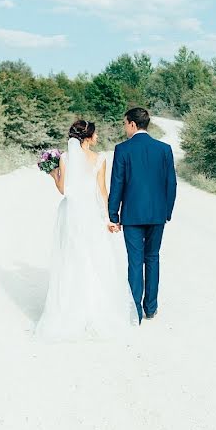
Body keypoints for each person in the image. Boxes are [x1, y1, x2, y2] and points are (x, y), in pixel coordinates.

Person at [36, 120, 139, 341]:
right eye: (96, 133)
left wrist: (54, 175)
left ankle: (70, 309)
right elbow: (103, 191)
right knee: (94, 258)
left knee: (71, 257)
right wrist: (109, 219)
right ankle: (94, 309)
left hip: (71, 213)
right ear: (88, 137)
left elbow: (64, 190)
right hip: (91, 214)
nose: (98, 136)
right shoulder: (100, 159)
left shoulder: (65, 158)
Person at [107, 107, 177, 322]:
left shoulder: (122, 149)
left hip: (132, 215)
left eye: (125, 123)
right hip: (157, 214)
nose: (124, 127)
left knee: (135, 261)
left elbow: (117, 183)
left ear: (132, 124)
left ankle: (135, 310)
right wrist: (167, 212)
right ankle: (151, 307)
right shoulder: (164, 149)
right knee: (153, 258)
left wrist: (113, 214)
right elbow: (171, 184)